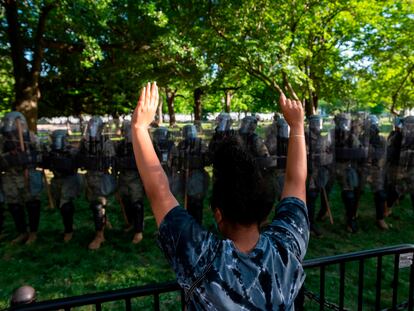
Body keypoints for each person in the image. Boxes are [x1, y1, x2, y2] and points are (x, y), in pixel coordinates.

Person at [131, 82, 309, 309]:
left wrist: (138, 128)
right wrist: (297, 125)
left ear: (218, 213)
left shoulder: (202, 258)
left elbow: (159, 192)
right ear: (263, 209)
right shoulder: (286, 249)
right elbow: (296, 182)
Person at [0, 111, 42, 244]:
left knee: (32, 203)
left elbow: (41, 154)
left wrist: (29, 157)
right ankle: (22, 232)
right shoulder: (3, 140)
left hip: (27, 174)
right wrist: (8, 157)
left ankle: (33, 233)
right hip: (10, 176)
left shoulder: (31, 137)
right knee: (14, 205)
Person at [79, 116, 116, 249]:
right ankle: (104, 223)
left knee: (97, 206)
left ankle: (99, 236)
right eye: (91, 125)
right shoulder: (85, 142)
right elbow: (80, 158)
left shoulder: (106, 142)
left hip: (101, 178)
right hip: (89, 177)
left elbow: (110, 160)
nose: (92, 128)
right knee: (95, 205)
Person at [43, 129, 82, 242]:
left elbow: (77, 163)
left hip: (70, 179)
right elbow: (46, 164)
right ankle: (68, 226)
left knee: (66, 206)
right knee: (60, 204)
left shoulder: (72, 152)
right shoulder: (51, 152)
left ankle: (68, 231)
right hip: (56, 180)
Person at [115, 120, 145, 244]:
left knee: (137, 203)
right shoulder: (120, 145)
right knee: (126, 201)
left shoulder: (142, 143)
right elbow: (115, 159)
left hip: (136, 177)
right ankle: (132, 224)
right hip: (123, 177)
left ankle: (139, 231)